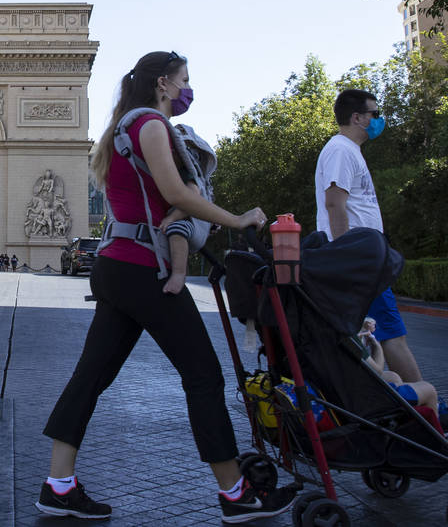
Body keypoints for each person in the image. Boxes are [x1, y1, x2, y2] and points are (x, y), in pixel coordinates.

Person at [40, 51, 297, 523]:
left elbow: (156, 203)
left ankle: (59, 484)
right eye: (184, 80)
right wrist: (237, 219)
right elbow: (179, 194)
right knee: (203, 376)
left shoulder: (120, 128)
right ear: (163, 83)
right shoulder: (151, 126)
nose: (187, 89)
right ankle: (235, 494)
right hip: (144, 270)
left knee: (91, 376)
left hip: (116, 265)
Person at [315, 89, 422, 384]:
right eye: (375, 114)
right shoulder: (340, 150)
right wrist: (350, 257)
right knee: (392, 334)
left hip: (363, 262)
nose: (379, 120)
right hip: (361, 264)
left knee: (378, 334)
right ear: (357, 117)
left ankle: (413, 404)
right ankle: (429, 411)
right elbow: (334, 203)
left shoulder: (349, 151)